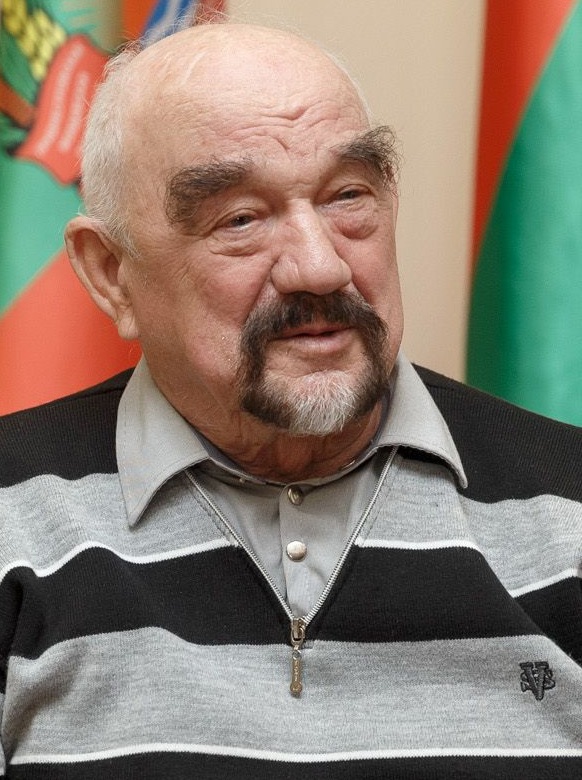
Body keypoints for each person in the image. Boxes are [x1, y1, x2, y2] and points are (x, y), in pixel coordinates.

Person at [0, 21, 581, 780]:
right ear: (111, 273)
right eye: (241, 218)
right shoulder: (13, 517)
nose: (320, 266)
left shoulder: (568, 507)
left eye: (349, 196)